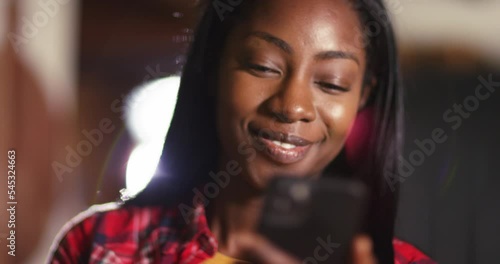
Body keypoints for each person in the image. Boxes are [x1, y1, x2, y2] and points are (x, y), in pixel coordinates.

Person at [48, 0, 436, 263]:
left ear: (362, 97)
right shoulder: (98, 245)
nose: (292, 106)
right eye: (263, 66)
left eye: (332, 83)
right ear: (215, 66)